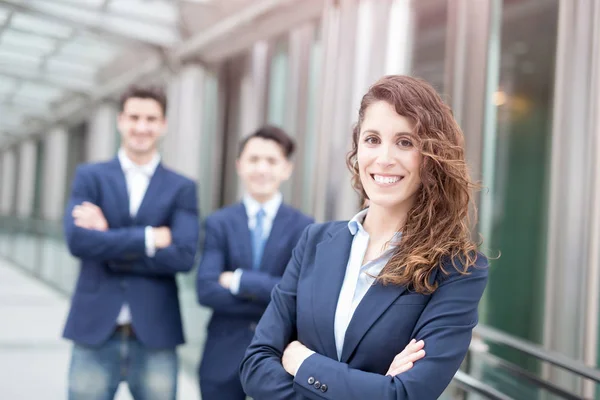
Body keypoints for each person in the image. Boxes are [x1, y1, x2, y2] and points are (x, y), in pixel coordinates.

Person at [240, 75, 489, 399]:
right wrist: (372, 387)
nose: (384, 158)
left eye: (405, 142)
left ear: (431, 156)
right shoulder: (314, 242)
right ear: (358, 148)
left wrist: (303, 362)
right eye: (372, 139)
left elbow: (404, 395)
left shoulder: (457, 270)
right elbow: (255, 365)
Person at [63, 85, 200, 400]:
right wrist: (150, 238)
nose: (142, 127)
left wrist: (107, 238)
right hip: (94, 330)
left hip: (155, 332)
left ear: (163, 125)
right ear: (120, 121)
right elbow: (78, 242)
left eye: (151, 119)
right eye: (134, 117)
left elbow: (183, 256)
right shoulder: (90, 177)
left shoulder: (182, 188)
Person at [196, 125, 314, 400]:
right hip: (222, 355)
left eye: (271, 161)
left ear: (287, 168)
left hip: (280, 356)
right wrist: (274, 294)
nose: (262, 169)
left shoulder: (305, 228)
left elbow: (299, 295)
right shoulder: (219, 223)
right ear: (239, 165)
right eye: (254, 159)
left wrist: (237, 280)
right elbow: (205, 289)